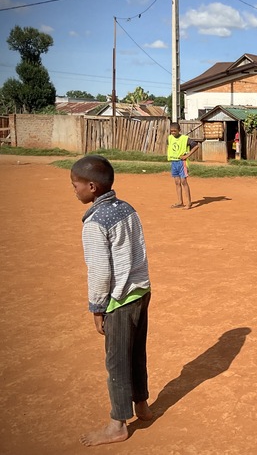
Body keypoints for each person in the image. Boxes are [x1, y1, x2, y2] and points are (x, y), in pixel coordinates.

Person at [70, 155, 153, 446]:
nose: (74, 190)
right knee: (136, 353)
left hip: (118, 301)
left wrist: (97, 307)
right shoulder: (127, 208)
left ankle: (118, 423)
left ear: (91, 187)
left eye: (75, 185)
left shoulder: (95, 223)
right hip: (141, 292)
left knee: (116, 361)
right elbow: (140, 250)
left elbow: (100, 271)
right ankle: (141, 405)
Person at [168, 122, 200, 209]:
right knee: (177, 182)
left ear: (179, 130)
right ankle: (179, 202)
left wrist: (187, 155)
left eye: (175, 131)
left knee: (183, 182)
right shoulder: (170, 138)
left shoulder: (185, 139)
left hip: (182, 162)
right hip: (174, 162)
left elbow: (196, 146)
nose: (173, 133)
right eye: (171, 131)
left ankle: (189, 203)